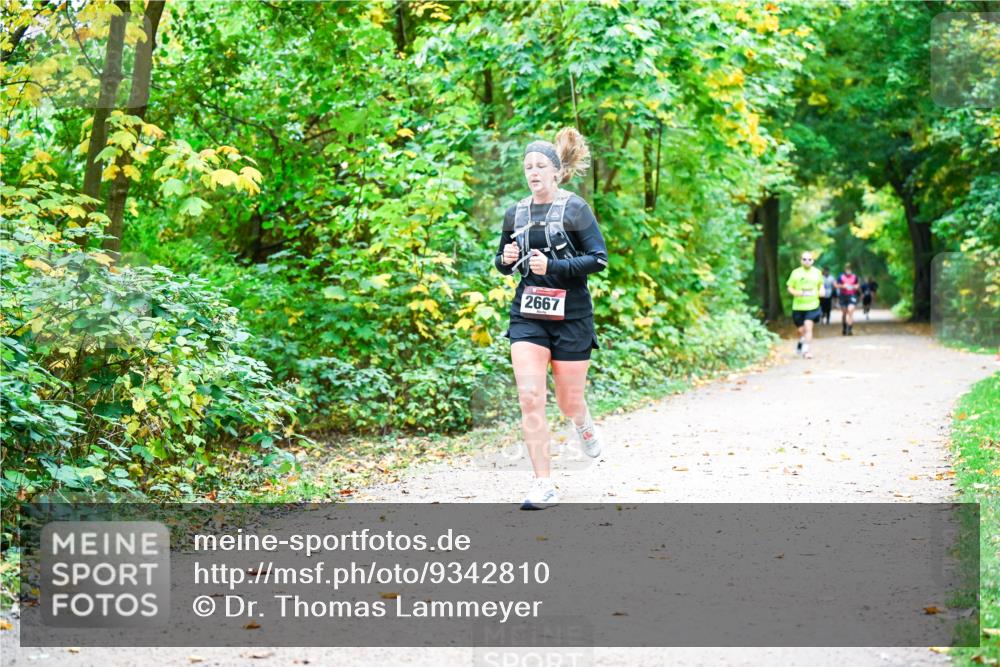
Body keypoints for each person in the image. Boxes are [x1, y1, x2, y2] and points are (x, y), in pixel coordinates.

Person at [495, 128, 609, 510]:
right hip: (528, 313)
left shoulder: (575, 209)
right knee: (530, 398)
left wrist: (556, 266)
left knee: (568, 399)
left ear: (557, 172)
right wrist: (506, 261)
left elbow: (599, 259)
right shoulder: (516, 212)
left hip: (572, 314)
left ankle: (582, 420)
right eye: (528, 166)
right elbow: (501, 262)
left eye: (541, 165)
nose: (533, 172)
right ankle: (542, 484)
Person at [786, 251, 824, 359]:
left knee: (808, 327)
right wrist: (796, 293)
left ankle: (806, 351)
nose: (807, 261)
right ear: (801, 260)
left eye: (809, 259)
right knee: (801, 330)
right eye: (804, 259)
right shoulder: (796, 273)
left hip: (812, 305)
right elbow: (789, 287)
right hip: (798, 306)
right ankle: (801, 341)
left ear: (813, 261)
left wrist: (822, 291)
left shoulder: (817, 272)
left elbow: (821, 285)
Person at [836, 263, 861, 335]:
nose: (848, 271)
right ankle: (844, 327)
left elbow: (857, 284)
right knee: (844, 313)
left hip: (852, 295)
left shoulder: (854, 277)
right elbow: (836, 285)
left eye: (849, 269)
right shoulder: (841, 277)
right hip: (843, 296)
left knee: (850, 311)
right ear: (845, 269)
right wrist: (842, 286)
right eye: (847, 269)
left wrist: (856, 286)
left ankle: (849, 329)